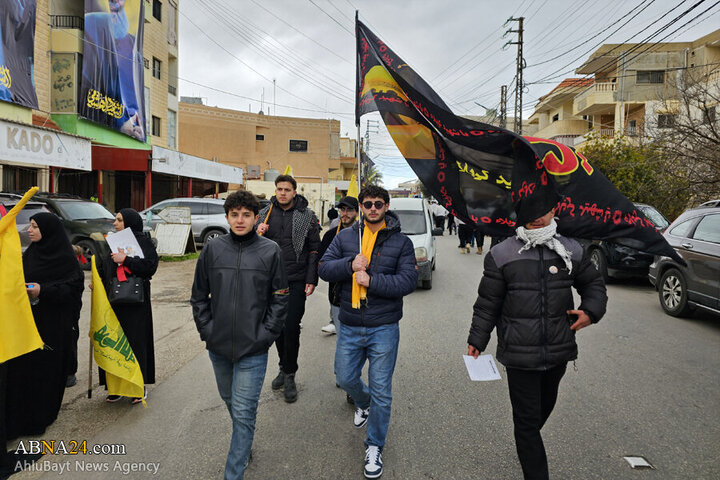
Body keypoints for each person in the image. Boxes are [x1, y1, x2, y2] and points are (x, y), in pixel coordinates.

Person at [466, 198, 608, 480]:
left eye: (542, 211)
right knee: (527, 422)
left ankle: (527, 441)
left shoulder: (570, 249)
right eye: (529, 213)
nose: (537, 218)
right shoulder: (502, 254)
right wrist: (477, 339)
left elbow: (594, 284)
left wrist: (591, 311)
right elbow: (487, 303)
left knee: (543, 410)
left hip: (558, 351)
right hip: (519, 355)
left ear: (554, 210)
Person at [319, 185, 418, 479]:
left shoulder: (401, 243)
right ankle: (363, 403)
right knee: (345, 377)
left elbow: (407, 282)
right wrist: (350, 265)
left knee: (382, 391)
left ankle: (374, 445)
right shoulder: (347, 236)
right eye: (367, 204)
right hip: (349, 324)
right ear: (361, 207)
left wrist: (371, 280)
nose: (373, 208)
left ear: (386, 206)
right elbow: (323, 268)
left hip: (383, 327)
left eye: (378, 203)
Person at [191, 191, 289, 480]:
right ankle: (243, 445)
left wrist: (266, 334)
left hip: (253, 349)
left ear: (256, 217)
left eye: (246, 214)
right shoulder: (213, 250)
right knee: (230, 401)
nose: (240, 219)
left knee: (244, 413)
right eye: (235, 214)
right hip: (218, 347)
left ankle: (233, 472)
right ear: (227, 217)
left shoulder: (270, 251)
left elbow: (281, 296)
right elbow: (198, 296)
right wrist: (207, 330)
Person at [4, 213, 83, 440]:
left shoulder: (65, 259)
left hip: (53, 327)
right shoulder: (31, 254)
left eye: (35, 227)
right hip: (27, 324)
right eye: (29, 226)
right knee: (24, 372)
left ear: (48, 230)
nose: (30, 230)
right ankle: (20, 417)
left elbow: (72, 290)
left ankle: (41, 416)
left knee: (45, 372)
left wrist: (43, 291)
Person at [256, 174, 321, 403]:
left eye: (286, 189)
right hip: (269, 280)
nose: (282, 193)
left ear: (295, 192)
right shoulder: (264, 214)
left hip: (295, 279)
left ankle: (290, 373)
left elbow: (314, 249)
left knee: (291, 326)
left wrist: (311, 278)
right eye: (279, 189)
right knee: (276, 328)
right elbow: (248, 246)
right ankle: (283, 367)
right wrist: (256, 234)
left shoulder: (306, 216)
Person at [98, 208, 158, 405]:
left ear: (130, 222)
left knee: (135, 342)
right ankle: (115, 386)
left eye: (120, 220)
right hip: (114, 301)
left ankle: (137, 386)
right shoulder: (114, 242)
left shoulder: (143, 242)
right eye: (116, 220)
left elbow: (150, 267)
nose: (115, 223)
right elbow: (105, 266)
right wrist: (99, 281)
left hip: (136, 302)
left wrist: (127, 260)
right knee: (114, 342)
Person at [82, 0, 145, 140]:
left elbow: (136, 101)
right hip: (98, 120)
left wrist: (136, 125)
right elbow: (87, 86)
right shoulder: (91, 25)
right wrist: (122, 122)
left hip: (126, 126)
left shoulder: (133, 50)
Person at [318, 196, 359, 335]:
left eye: (349, 210)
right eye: (342, 209)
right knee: (343, 340)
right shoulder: (330, 235)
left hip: (359, 294)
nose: (345, 213)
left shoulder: (364, 236)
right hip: (336, 295)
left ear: (357, 212)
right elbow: (322, 264)